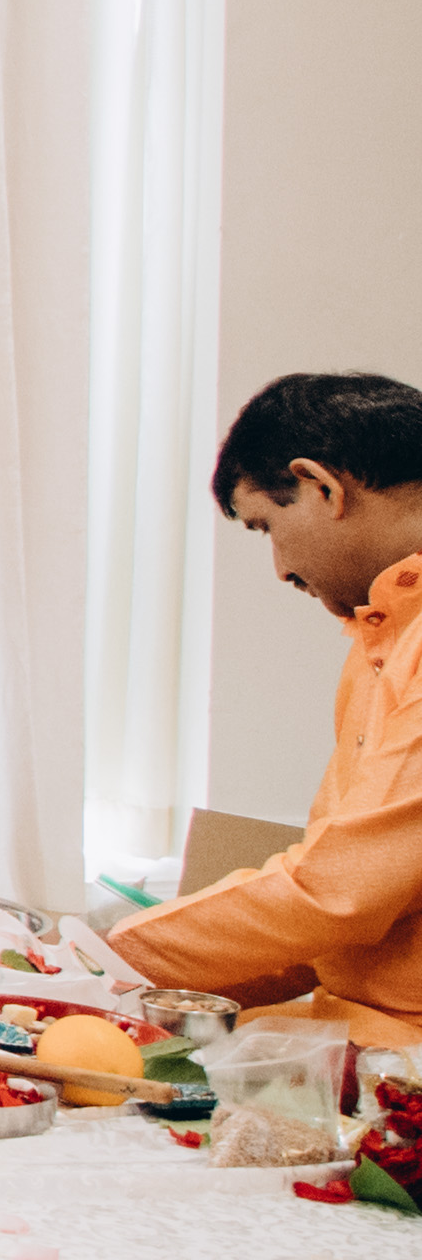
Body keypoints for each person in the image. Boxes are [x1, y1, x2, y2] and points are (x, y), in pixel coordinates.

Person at [110, 372, 422, 1043]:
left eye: (266, 527)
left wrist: (101, 959)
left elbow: (338, 895)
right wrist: (137, 989)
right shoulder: (381, 635)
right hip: (351, 1022)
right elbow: (325, 923)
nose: (279, 569)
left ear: (320, 486)